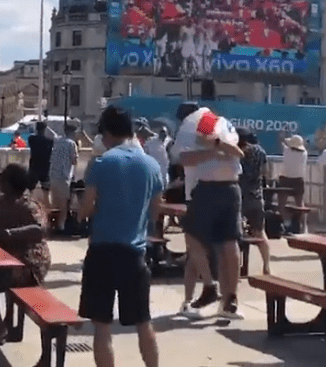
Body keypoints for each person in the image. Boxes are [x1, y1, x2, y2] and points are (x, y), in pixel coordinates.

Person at [78, 106, 162, 367]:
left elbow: (85, 209)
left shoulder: (101, 163)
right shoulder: (151, 164)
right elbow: (156, 210)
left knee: (102, 328)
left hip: (102, 250)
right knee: (143, 323)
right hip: (134, 252)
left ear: (106, 133)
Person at [171, 102, 245, 319]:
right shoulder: (223, 122)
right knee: (229, 243)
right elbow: (236, 153)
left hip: (208, 188)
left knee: (193, 237)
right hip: (232, 187)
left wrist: (212, 149)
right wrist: (219, 150)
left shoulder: (199, 123)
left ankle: (209, 287)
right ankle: (230, 300)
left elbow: (186, 156)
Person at [0, 164, 50, 345]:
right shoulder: (3, 202)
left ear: (12, 184)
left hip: (29, 264)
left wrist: (9, 234)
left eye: (3, 179)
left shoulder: (28, 204)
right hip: (8, 259)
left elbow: (40, 229)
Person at [237, 128, 271, 275]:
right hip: (256, 195)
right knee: (260, 232)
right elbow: (265, 172)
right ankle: (266, 265)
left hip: (239, 195)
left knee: (236, 233)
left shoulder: (237, 150)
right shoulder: (261, 151)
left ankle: (237, 267)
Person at [49, 124, 79, 233]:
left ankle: (51, 224)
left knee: (54, 204)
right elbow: (74, 160)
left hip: (53, 175)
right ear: (73, 132)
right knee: (64, 204)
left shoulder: (57, 141)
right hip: (64, 176)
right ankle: (61, 227)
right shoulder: (72, 144)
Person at [277, 133, 308, 233]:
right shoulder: (304, 154)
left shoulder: (287, 151)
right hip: (299, 180)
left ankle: (286, 222)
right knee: (300, 204)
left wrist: (281, 134)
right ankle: (303, 226)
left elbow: (281, 142)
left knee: (281, 204)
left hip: (285, 179)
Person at [27, 121, 54, 190]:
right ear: (45, 129)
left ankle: (29, 200)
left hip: (34, 167)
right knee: (46, 190)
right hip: (45, 168)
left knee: (30, 189)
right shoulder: (49, 141)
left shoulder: (32, 139)